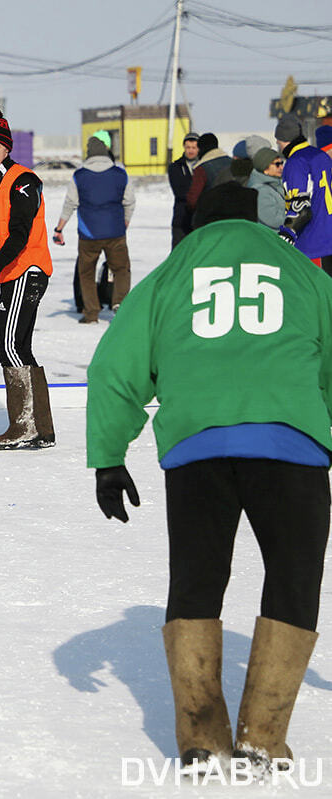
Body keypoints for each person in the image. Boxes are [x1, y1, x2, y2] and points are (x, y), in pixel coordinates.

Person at [87, 207, 330, 777]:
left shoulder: (172, 273)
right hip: (291, 444)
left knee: (198, 579)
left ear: (200, 224)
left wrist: (108, 458)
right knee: (294, 580)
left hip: (198, 445)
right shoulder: (300, 271)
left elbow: (114, 368)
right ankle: (263, 740)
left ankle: (202, 740)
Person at [0, 107, 55, 450]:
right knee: (17, 346)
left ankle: (24, 427)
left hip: (28, 267)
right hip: (10, 270)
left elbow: (20, 233)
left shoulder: (24, 180)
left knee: (7, 346)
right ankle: (40, 429)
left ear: (7, 148)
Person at [53, 136, 136, 323]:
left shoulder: (79, 175)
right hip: (115, 231)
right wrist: (125, 222)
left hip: (88, 233)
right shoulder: (120, 173)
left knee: (87, 272)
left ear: (89, 153)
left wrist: (59, 228)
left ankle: (91, 313)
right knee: (121, 269)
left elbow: (70, 204)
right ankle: (120, 304)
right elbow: (129, 201)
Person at [274, 113, 332, 274]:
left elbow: (300, 209)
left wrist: (286, 235)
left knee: (317, 296)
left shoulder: (296, 162)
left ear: (282, 139)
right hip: (329, 235)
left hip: (314, 243)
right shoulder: (320, 156)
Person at [167, 132, 200, 249]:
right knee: (178, 254)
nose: (190, 151)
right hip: (181, 219)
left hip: (199, 219)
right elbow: (180, 190)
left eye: (194, 148)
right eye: (188, 147)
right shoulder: (175, 167)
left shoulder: (204, 166)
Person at [185, 133, 231, 213]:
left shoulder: (201, 168)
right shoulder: (233, 163)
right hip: (235, 215)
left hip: (211, 217)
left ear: (202, 148)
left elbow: (192, 200)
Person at [247, 148, 286, 230]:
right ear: (265, 167)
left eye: (282, 163)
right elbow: (274, 220)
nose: (281, 167)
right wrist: (297, 219)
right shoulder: (260, 191)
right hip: (273, 239)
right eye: (277, 164)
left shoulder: (276, 184)